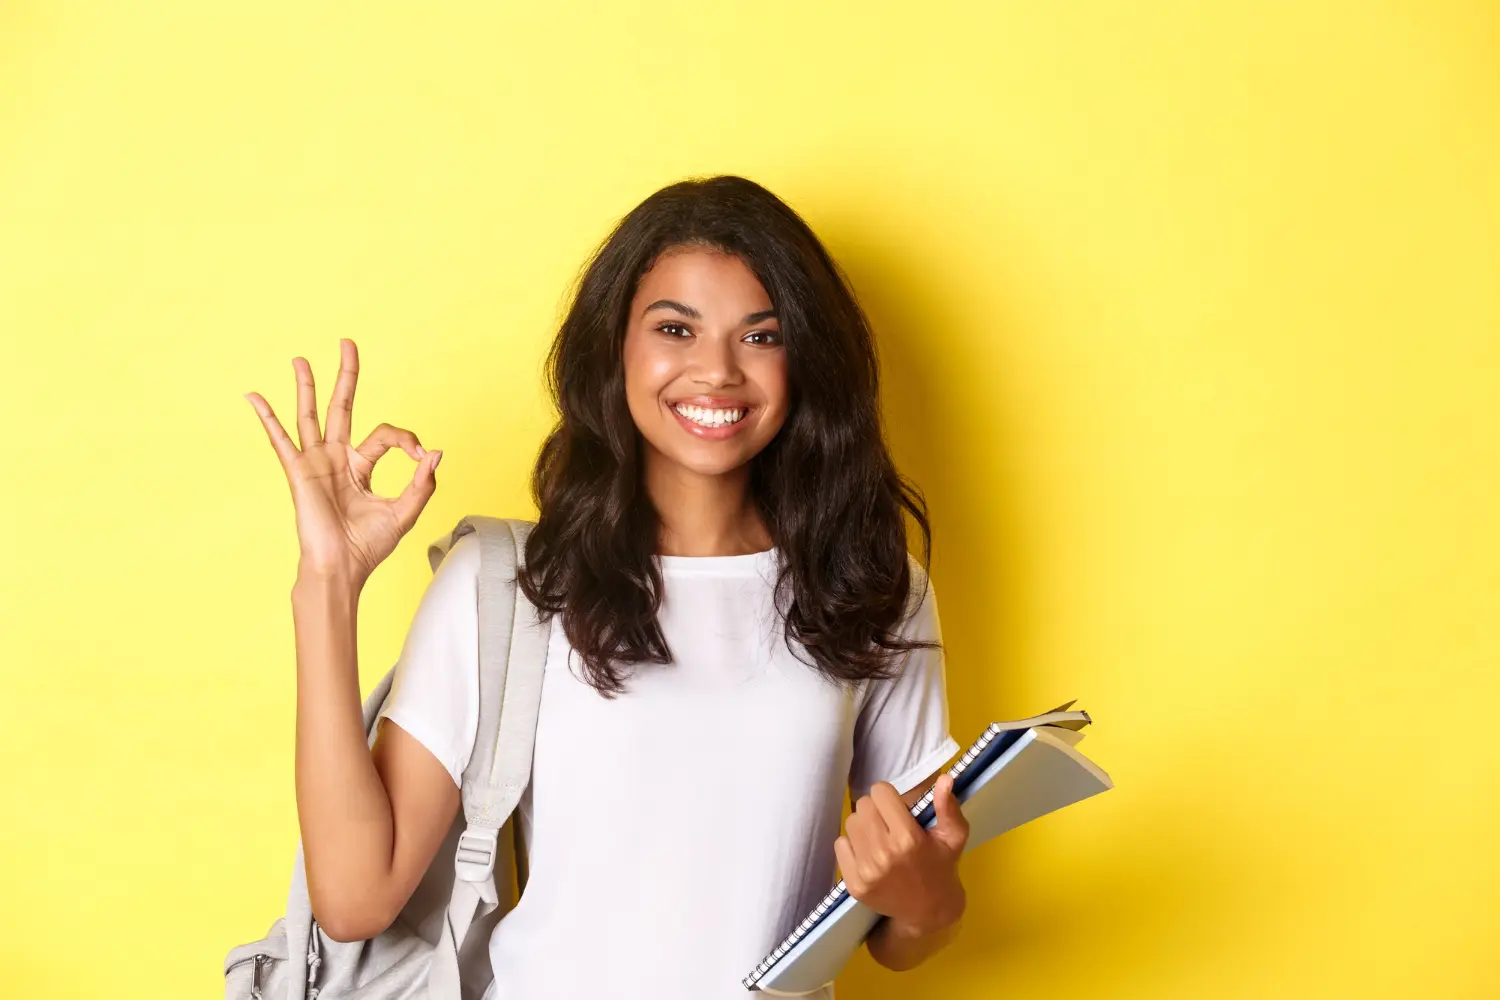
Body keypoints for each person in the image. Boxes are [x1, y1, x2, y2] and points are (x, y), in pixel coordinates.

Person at [243, 174, 970, 999]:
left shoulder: (872, 589)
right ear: (614, 347)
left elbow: (902, 930)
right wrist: (328, 582)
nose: (716, 371)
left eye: (761, 336)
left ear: (806, 359)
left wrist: (931, 903)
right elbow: (353, 899)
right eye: (675, 329)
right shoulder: (510, 585)